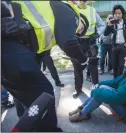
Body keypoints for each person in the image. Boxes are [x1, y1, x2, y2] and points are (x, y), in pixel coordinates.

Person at [1, 1, 91, 131]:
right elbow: (68, 43)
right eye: (81, 29)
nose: (78, 31)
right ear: (82, 20)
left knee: (25, 92)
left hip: (11, 44)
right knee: (44, 95)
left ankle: (27, 123)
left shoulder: (49, 9)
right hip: (9, 45)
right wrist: (83, 60)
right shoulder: (70, 12)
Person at [68, 45, 126, 123]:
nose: (125, 58)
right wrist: (98, 85)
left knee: (101, 92)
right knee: (102, 88)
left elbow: (118, 96)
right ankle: (83, 109)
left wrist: (96, 91)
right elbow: (115, 82)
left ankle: (83, 113)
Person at [71, 0, 105, 97]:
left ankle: (96, 88)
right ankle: (78, 88)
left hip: (90, 42)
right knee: (77, 67)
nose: (81, 1)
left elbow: (102, 25)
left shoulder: (92, 10)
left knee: (93, 66)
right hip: (77, 42)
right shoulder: (72, 10)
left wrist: (97, 33)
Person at [104, 4, 126, 78]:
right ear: (114, 14)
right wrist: (108, 25)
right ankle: (116, 81)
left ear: (122, 14)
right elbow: (105, 33)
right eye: (116, 13)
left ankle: (119, 82)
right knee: (114, 66)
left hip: (123, 47)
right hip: (114, 47)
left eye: (119, 13)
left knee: (121, 66)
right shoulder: (112, 22)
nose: (117, 15)